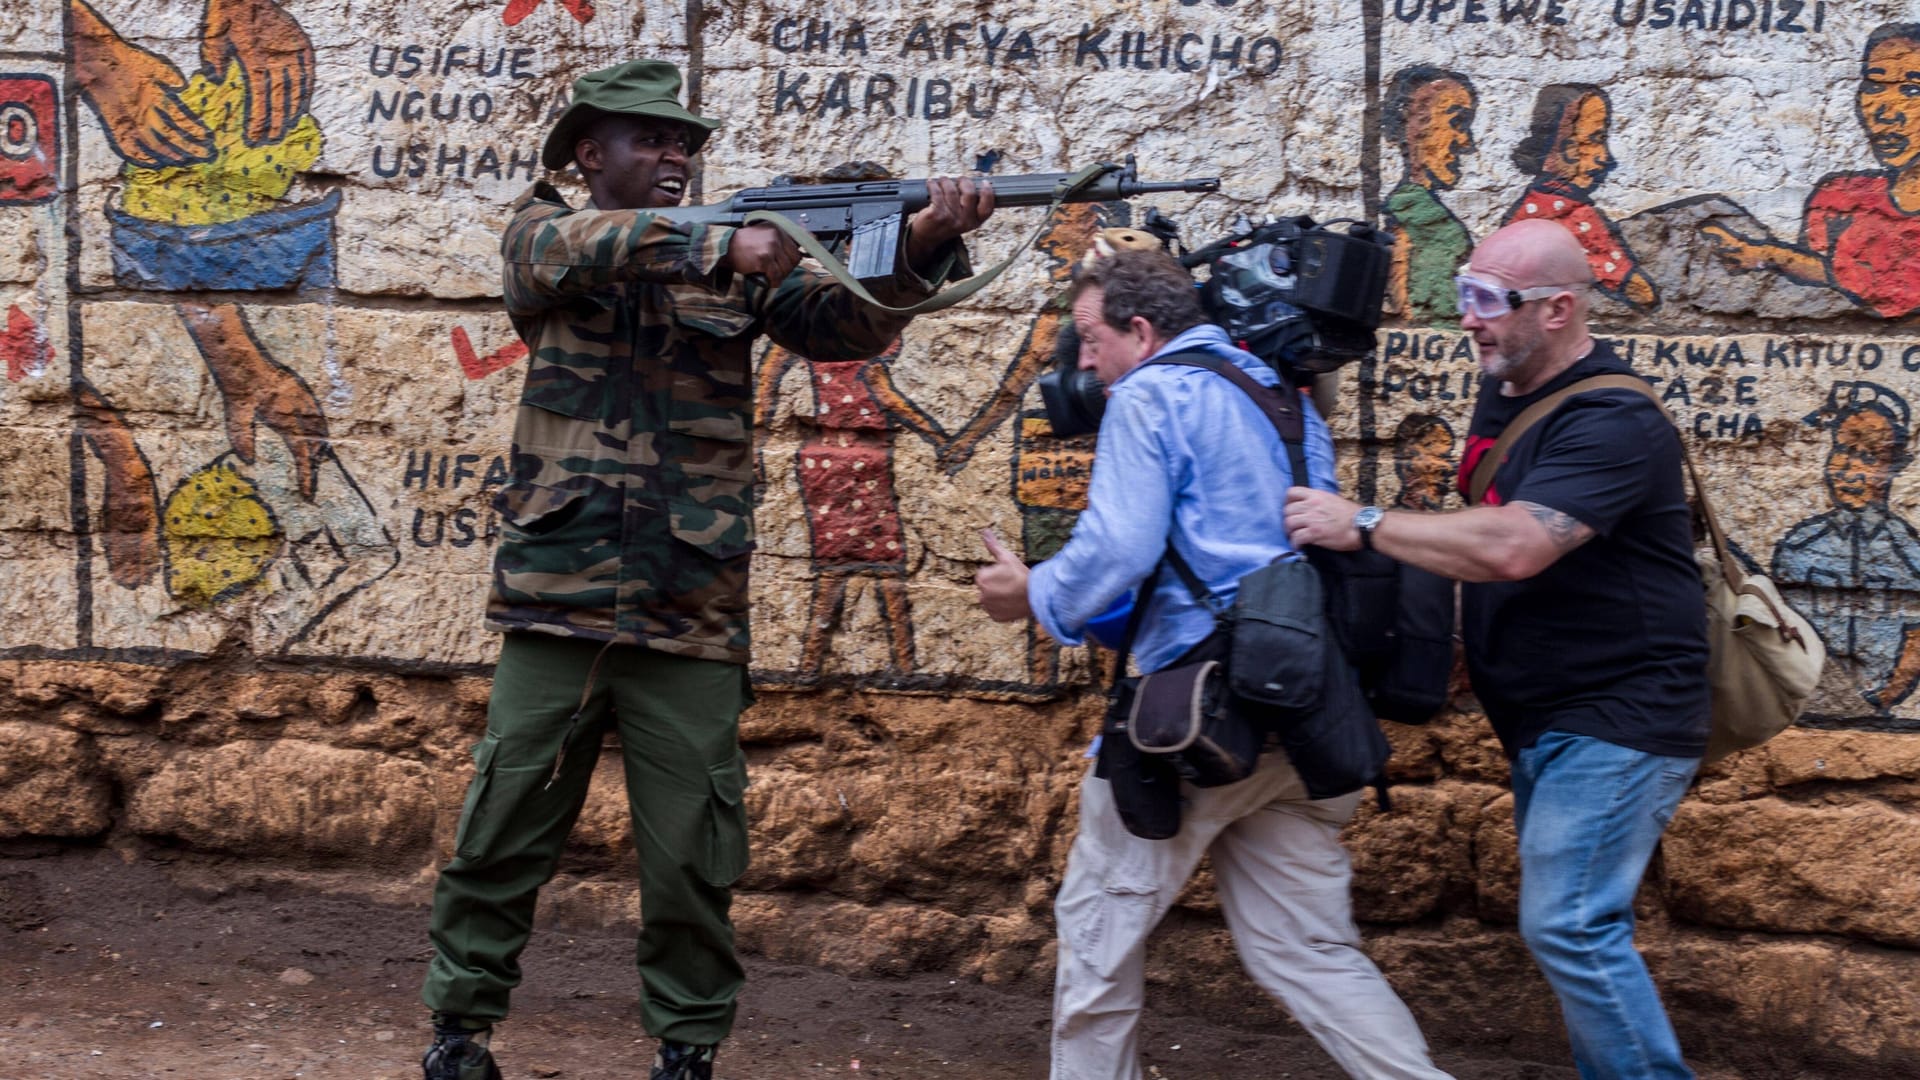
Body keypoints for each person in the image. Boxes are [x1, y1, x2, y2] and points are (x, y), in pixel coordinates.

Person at [419, 59, 993, 1080]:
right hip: (558, 599)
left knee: (692, 853)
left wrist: (922, 242)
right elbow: (566, 253)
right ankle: (459, 1030)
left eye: (685, 141)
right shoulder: (547, 231)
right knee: (501, 828)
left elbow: (841, 326)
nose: (676, 154)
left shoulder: (738, 260)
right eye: (651, 138)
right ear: (590, 152)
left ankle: (687, 1047)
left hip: (691, 604)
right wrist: (721, 240)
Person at [975, 249, 1452, 1080]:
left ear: (1142, 330)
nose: (1084, 362)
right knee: (1309, 951)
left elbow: (1118, 550)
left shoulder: (1153, 393)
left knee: (1098, 935)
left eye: (1090, 339)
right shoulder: (1285, 399)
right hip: (1301, 720)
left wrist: (1032, 593)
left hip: (1195, 720)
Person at [1284, 218, 1708, 1079]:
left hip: (1621, 713)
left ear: (1557, 309)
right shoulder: (1508, 390)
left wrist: (1361, 524)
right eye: (1464, 296)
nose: (1467, 318)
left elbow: (1516, 546)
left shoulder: (1615, 419)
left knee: (1569, 924)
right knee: (1578, 928)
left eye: (1488, 300)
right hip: (1546, 715)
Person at [1702, 23, 1920, 319]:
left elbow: (1897, 294)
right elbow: (1816, 294)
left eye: (1911, 89)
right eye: (1873, 86)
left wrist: (1772, 256)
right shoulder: (1839, 198)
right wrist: (1762, 256)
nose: (1885, 109)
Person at [1504, 84, 1658, 309]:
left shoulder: (1523, 211)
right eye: (1596, 140)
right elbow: (1641, 293)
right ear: (1564, 150)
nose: (1607, 159)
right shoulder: (1578, 219)